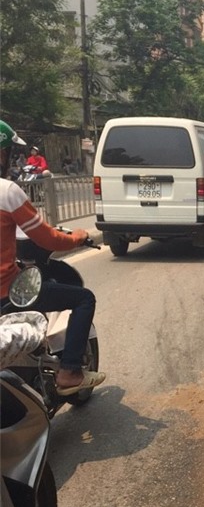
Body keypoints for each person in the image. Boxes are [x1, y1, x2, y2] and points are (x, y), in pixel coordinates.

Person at [0, 120, 106, 395]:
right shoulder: (7, 191)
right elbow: (46, 239)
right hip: (6, 294)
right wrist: (78, 238)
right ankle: (70, 371)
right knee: (84, 298)